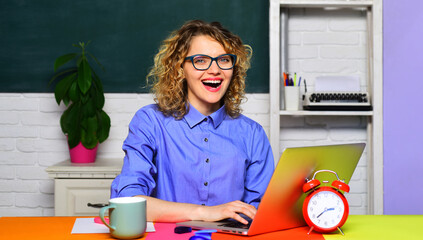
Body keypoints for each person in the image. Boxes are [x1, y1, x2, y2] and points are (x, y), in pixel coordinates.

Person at [110, 20, 274, 225]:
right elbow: (127, 202)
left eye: (224, 60)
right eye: (201, 60)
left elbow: (262, 212)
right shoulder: (150, 122)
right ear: (180, 68)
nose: (215, 70)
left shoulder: (253, 134)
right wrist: (205, 213)